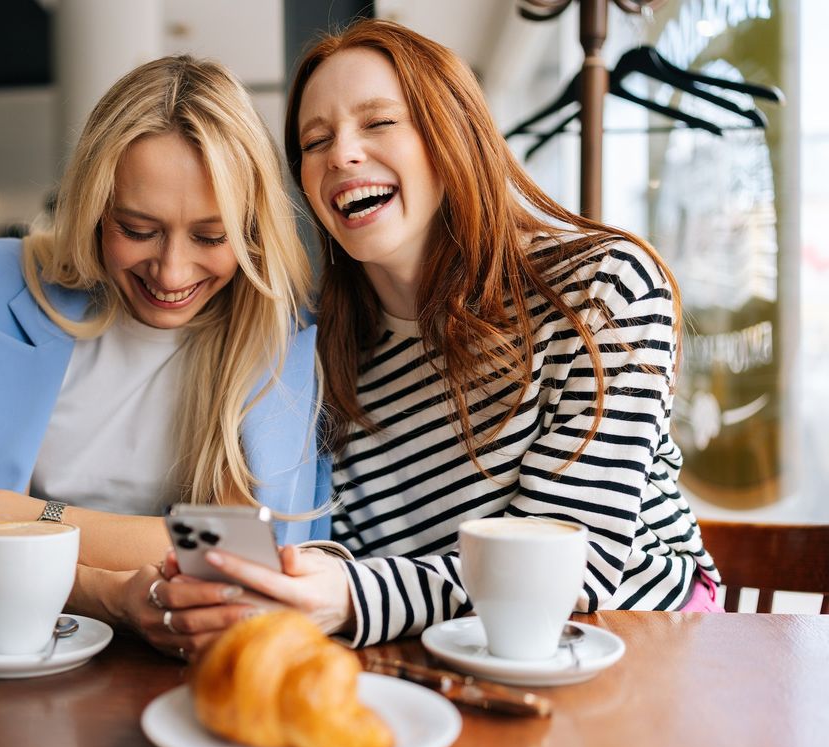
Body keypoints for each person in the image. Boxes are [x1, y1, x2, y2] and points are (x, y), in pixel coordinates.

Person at [165, 19, 721, 647]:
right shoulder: (315, 353)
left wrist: (350, 596)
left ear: (450, 135)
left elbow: (571, 563)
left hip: (646, 642)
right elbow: (341, 549)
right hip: (443, 662)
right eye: (315, 140)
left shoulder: (601, 289)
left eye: (378, 123)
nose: (341, 153)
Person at [0, 55, 328, 658]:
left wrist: (22, 516)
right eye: (137, 229)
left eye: (212, 238)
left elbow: (244, 557)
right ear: (93, 205)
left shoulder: (279, 334)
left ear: (252, 232)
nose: (172, 271)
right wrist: (108, 587)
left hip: (176, 685)